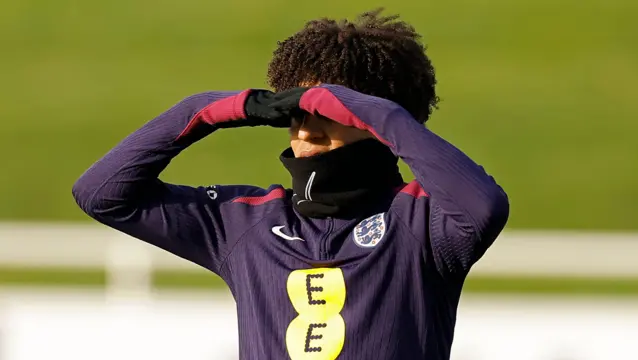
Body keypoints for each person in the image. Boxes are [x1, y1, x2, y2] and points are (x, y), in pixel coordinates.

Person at [72, 8, 509, 360]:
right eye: (295, 113)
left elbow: (482, 206)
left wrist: (378, 111)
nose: (306, 131)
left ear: (375, 120)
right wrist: (205, 110)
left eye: (331, 114)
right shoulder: (245, 223)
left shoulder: (423, 223)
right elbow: (103, 194)